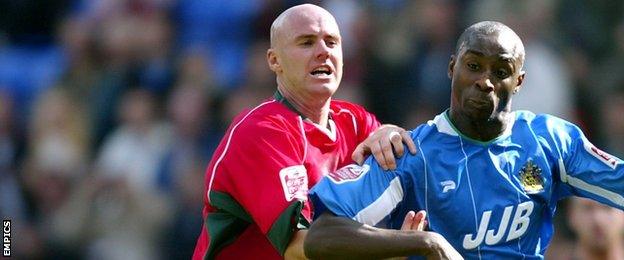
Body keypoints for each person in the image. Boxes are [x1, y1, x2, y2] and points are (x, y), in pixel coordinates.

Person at [305, 21, 624, 259]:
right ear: (451, 67)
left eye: (501, 70)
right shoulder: (411, 154)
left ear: (519, 82)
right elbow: (320, 236)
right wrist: (425, 242)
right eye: (473, 66)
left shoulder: (551, 141)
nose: (485, 81)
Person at [192, 4, 416, 260]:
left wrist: (392, 132)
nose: (323, 52)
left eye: (331, 43)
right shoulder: (261, 131)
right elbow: (299, 248)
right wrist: (411, 245)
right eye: (307, 43)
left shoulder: (356, 121)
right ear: (274, 60)